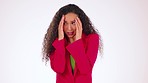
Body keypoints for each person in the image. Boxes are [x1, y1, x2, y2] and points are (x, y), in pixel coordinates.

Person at [42, 4, 103, 83]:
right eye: (65, 23)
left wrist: (78, 41)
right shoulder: (56, 42)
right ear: (59, 25)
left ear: (80, 23)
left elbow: (85, 69)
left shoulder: (92, 39)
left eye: (73, 23)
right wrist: (61, 40)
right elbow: (58, 69)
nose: (69, 28)